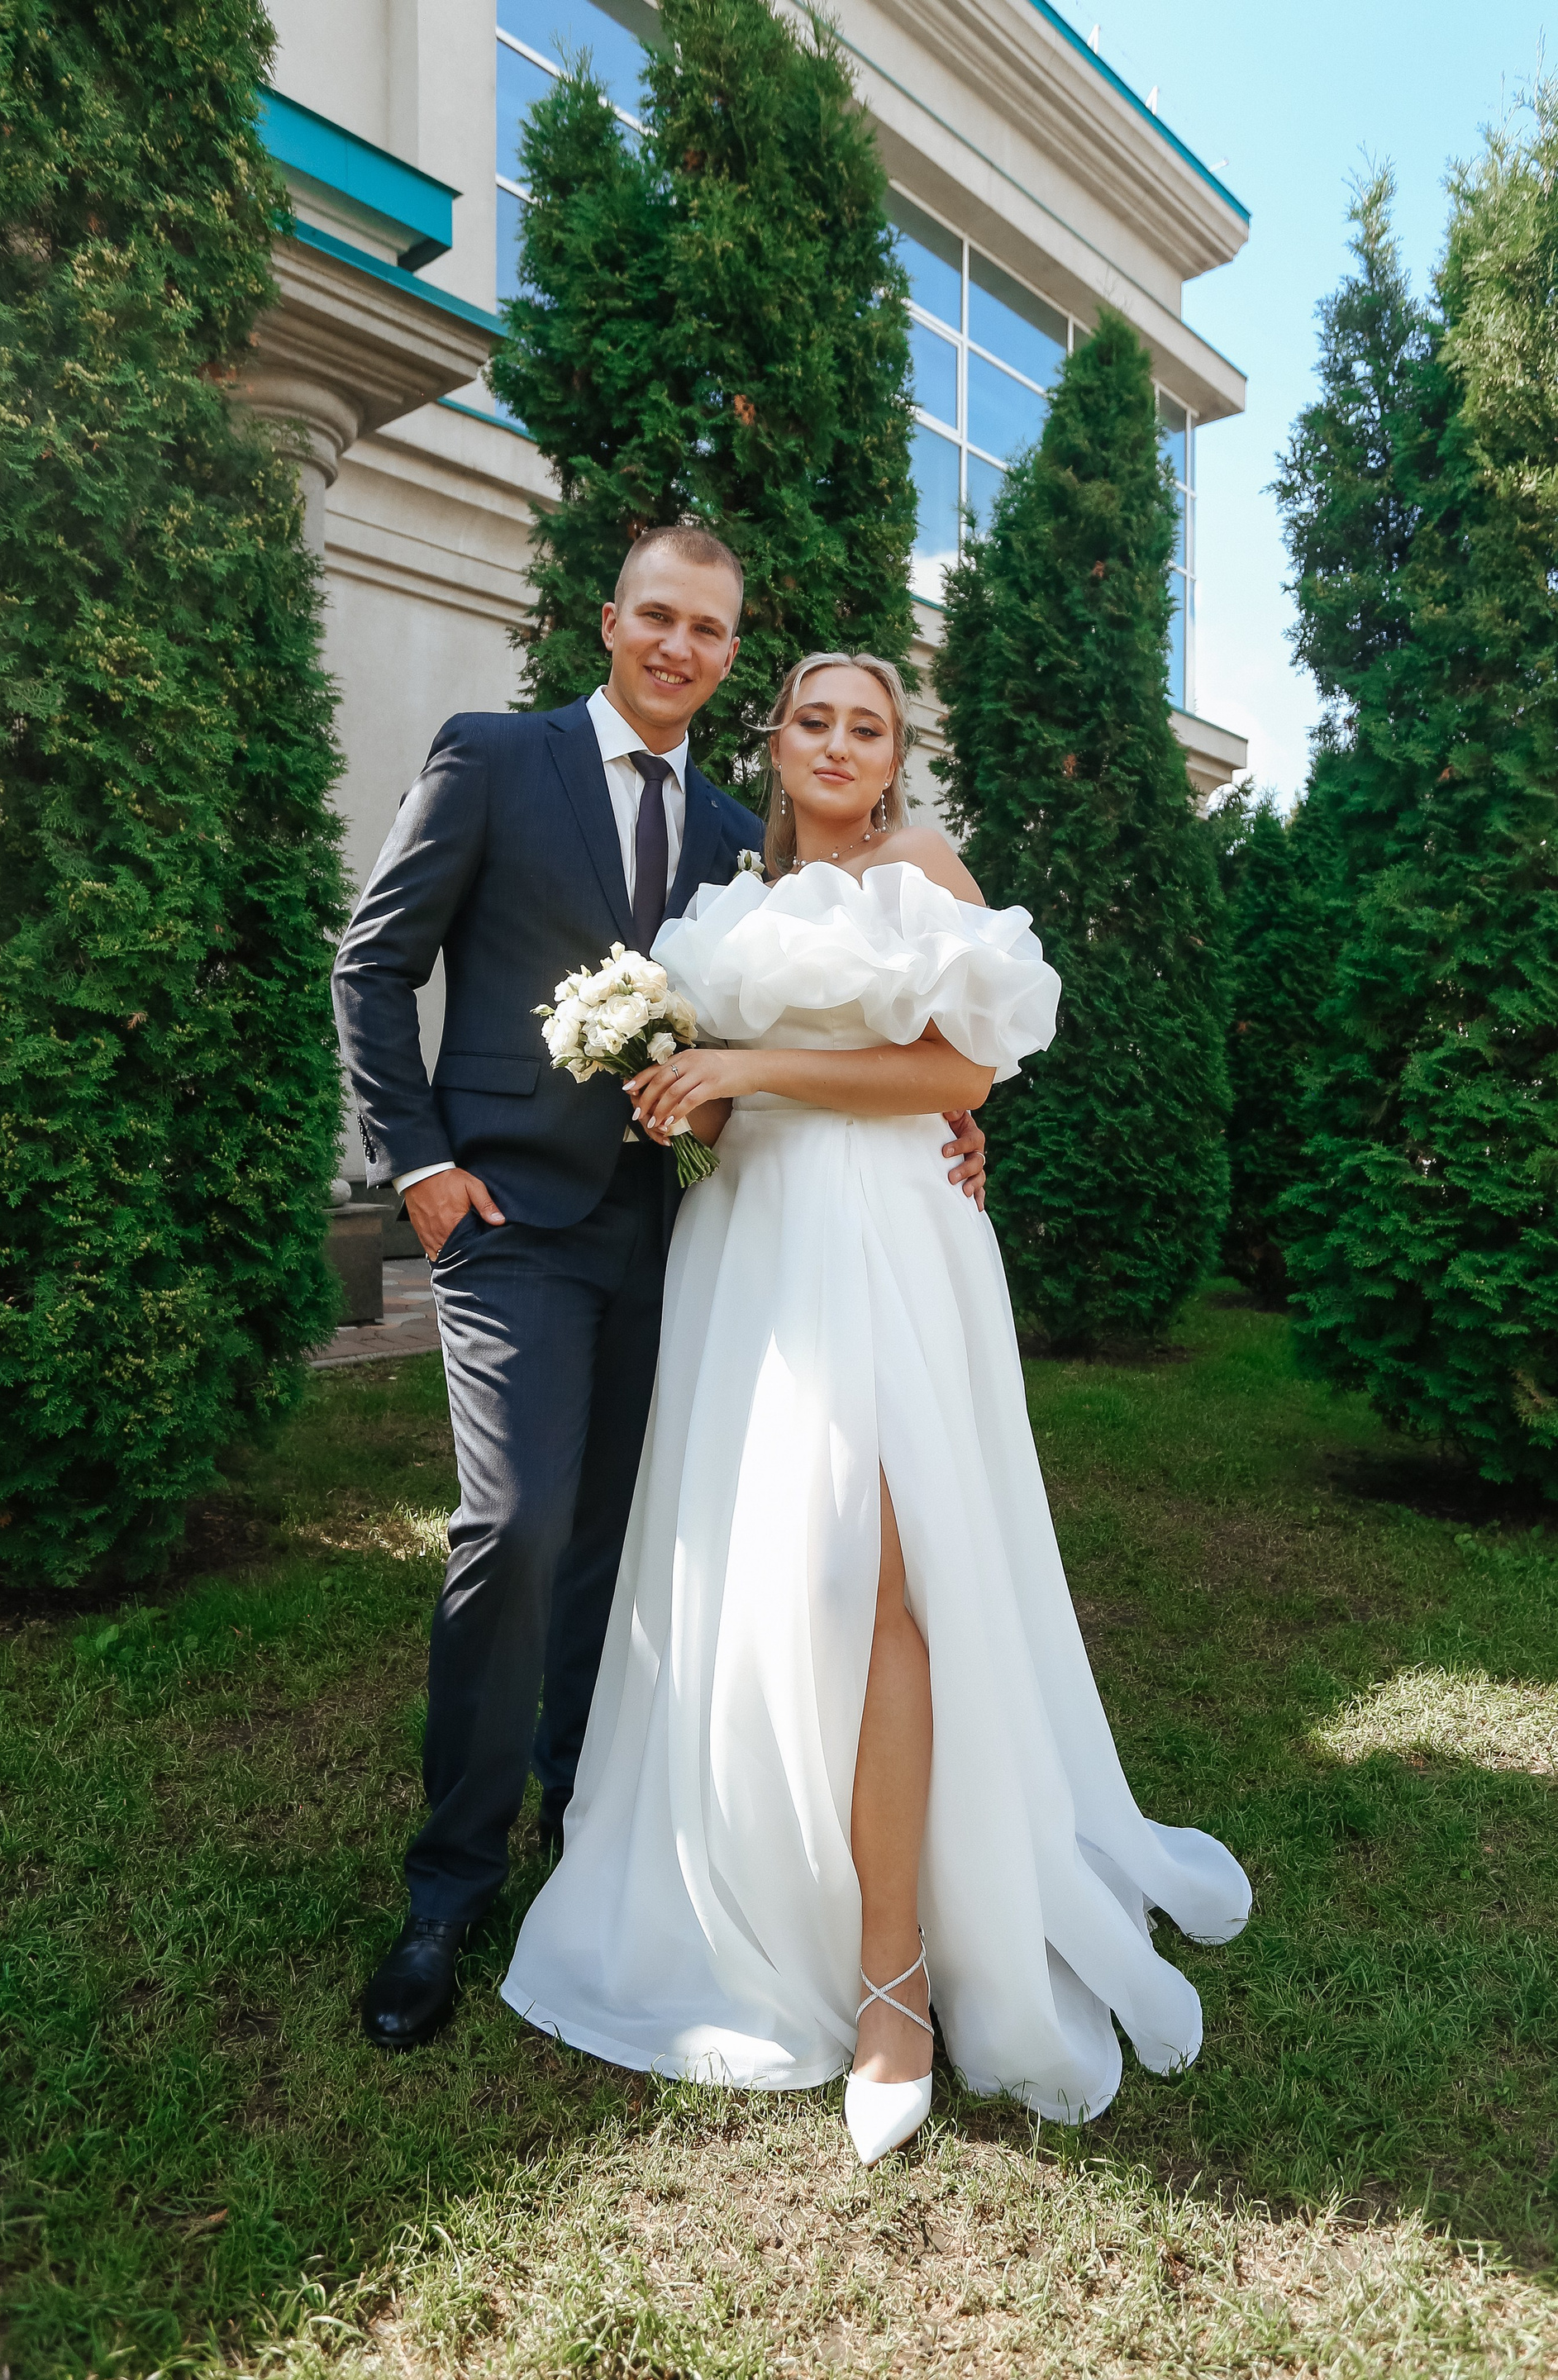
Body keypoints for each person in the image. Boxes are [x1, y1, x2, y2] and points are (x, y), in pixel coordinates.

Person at [502, 651, 1251, 2163]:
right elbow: (736, 1099)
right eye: (816, 720)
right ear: (774, 742)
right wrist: (684, 1087)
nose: (840, 743)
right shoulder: (728, 899)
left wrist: (755, 1062)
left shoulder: (921, 867)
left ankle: (894, 1986)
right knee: (767, 1577)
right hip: (750, 1249)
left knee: (883, 1580)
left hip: (889, 1245)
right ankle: (756, 1895)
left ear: (896, 755)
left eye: (871, 726)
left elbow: (962, 1070)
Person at [331, 536, 987, 2049]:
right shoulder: (493, 757)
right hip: (509, 1218)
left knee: (627, 1547)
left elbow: (845, 1018)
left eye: (710, 628)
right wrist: (416, 1161)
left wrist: (951, 1114)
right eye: (660, 618)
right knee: (516, 1523)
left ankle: (593, 1829)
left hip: (682, 1231)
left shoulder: (744, 843)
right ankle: (448, 1887)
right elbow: (374, 964)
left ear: (730, 654)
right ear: (612, 622)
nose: (681, 645)